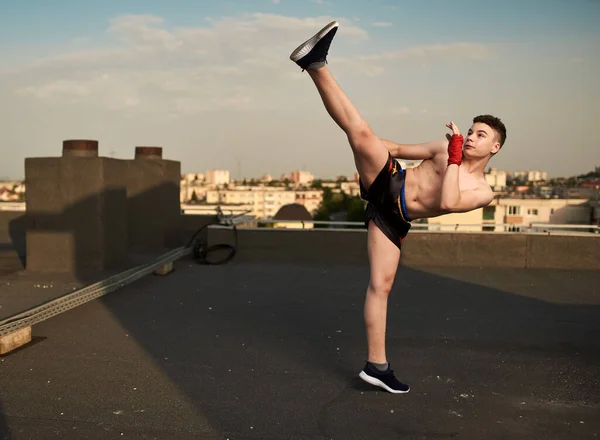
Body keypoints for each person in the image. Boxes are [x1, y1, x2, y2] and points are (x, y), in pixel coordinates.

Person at [289, 21, 507, 394]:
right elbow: (399, 149)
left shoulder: (482, 190)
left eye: (480, 135)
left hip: (396, 217)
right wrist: (365, 150)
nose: (471, 137)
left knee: (381, 285)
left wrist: (454, 154)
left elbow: (448, 201)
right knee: (360, 132)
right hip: (391, 181)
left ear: (495, 149)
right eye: (470, 131)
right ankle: (315, 63)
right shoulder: (443, 150)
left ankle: (377, 366)